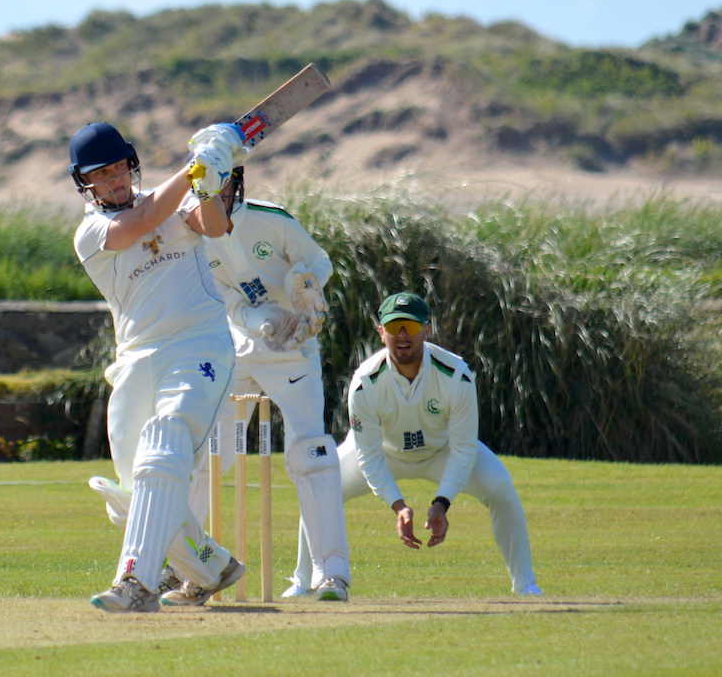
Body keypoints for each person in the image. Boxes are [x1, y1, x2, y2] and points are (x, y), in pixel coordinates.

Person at [70, 121, 249, 612]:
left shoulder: (172, 199)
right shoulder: (91, 231)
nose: (113, 182)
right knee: (131, 494)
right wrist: (194, 171)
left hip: (199, 346)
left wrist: (212, 184)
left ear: (132, 165)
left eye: (119, 170)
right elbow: (141, 223)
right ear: (85, 184)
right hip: (135, 358)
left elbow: (214, 226)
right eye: (100, 176)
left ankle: (136, 582)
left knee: (163, 450)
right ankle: (212, 566)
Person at [289, 291, 543, 596]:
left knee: (500, 486)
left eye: (410, 326)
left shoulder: (456, 375)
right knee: (321, 489)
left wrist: (442, 502)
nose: (403, 335)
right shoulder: (365, 382)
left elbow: (463, 449)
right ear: (382, 333)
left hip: (442, 451)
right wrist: (398, 505)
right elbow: (369, 455)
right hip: (385, 453)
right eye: (395, 327)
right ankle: (303, 583)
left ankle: (525, 585)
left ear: (426, 329)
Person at [193, 165, 351, 601]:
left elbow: (319, 260)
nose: (214, 192)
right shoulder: (194, 233)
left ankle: (331, 574)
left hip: (294, 348)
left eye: (221, 181)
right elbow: (225, 299)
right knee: (209, 449)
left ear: (235, 181)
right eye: (205, 184)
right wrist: (260, 320)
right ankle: (183, 563)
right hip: (241, 351)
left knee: (311, 452)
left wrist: (303, 289)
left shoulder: (271, 219)